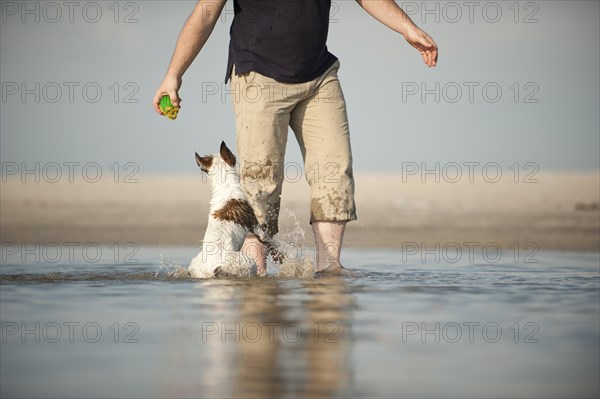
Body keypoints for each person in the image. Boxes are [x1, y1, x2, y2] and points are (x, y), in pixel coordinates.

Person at [153, 0, 438, 276]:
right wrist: (173, 75)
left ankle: (329, 267)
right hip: (258, 75)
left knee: (334, 172)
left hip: (319, 75)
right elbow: (207, 10)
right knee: (259, 181)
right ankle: (257, 269)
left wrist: (406, 28)